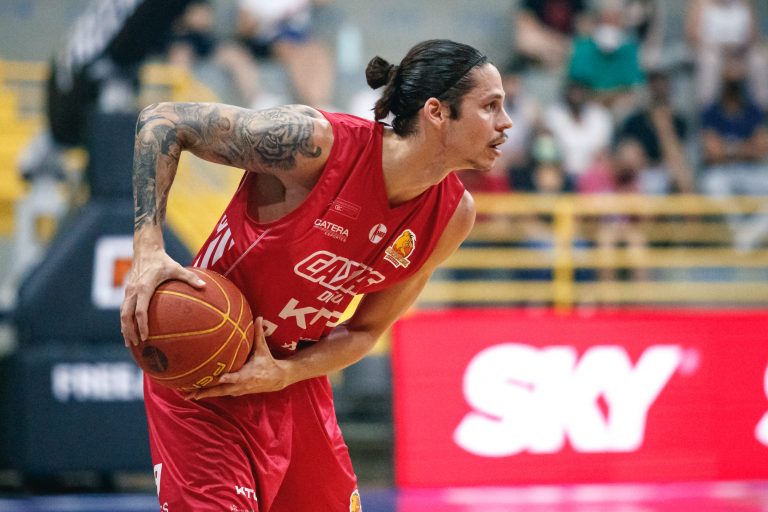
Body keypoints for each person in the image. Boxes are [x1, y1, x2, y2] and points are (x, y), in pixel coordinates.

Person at [120, 39, 512, 511]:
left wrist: (284, 373)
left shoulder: (452, 216)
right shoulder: (314, 145)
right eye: (490, 106)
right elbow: (164, 120)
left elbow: (365, 331)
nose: (506, 122)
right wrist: (148, 248)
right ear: (437, 112)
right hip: (205, 375)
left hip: (290, 380)